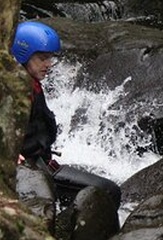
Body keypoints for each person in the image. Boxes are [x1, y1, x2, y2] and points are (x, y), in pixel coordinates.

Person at [12, 20, 121, 209]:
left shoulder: (32, 84)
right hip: (30, 174)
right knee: (108, 191)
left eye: (50, 58)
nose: (49, 64)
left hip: (43, 165)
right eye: (42, 58)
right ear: (24, 55)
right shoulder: (14, 89)